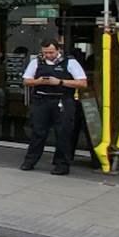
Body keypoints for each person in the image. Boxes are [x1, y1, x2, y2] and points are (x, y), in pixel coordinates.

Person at [22, 40, 88, 174]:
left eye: (51, 52)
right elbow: (26, 81)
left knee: (63, 133)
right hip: (41, 99)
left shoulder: (70, 62)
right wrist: (38, 81)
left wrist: (60, 82)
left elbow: (82, 83)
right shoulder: (36, 62)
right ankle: (30, 161)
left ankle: (62, 165)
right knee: (38, 132)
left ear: (58, 50)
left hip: (62, 100)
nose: (48, 55)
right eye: (45, 52)